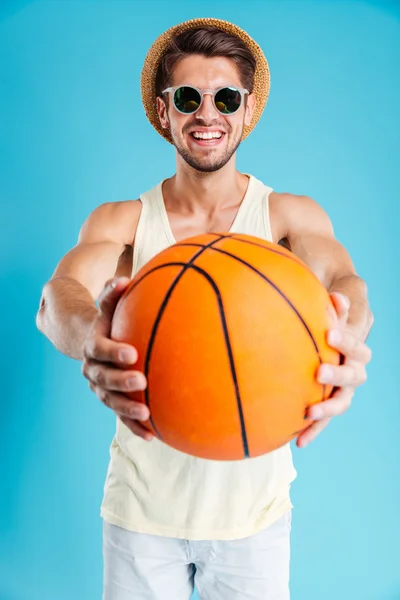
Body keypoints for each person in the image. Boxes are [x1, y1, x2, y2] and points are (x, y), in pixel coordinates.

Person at [36, 18, 373, 600]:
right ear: (164, 112)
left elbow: (345, 282)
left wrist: (346, 336)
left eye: (225, 98)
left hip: (256, 520)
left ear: (247, 110)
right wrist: (93, 338)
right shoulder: (124, 222)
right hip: (141, 515)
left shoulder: (289, 218)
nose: (207, 114)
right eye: (188, 98)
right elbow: (56, 297)